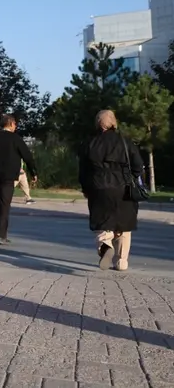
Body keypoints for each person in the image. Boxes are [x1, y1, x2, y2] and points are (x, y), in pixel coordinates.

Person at [79, 110, 143, 271]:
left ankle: (105, 245)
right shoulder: (125, 142)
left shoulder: (89, 143)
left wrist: (86, 188)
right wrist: (133, 178)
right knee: (124, 224)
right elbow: (138, 165)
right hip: (123, 187)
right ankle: (121, 262)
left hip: (99, 186)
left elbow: (83, 170)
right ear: (114, 122)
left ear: (97, 123)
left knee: (103, 221)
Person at [0, 114, 37, 244]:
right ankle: (1, 235)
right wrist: (33, 172)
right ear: (10, 124)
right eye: (15, 124)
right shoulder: (15, 139)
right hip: (8, 176)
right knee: (4, 205)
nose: (16, 126)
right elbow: (27, 156)